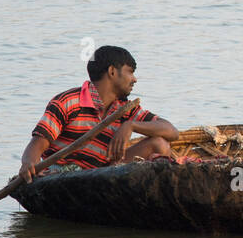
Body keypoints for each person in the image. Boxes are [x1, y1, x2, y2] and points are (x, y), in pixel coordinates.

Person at [18, 45, 179, 182]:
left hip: (104, 174)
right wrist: (28, 164)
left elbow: (171, 131)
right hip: (63, 176)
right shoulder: (68, 102)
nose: (134, 79)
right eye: (130, 72)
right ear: (112, 72)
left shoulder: (126, 108)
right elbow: (37, 144)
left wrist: (131, 125)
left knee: (159, 143)